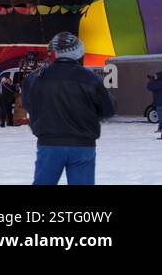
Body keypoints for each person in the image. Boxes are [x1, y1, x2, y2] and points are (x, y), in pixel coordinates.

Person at [22, 32, 116, 185]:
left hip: (49, 144)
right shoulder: (91, 78)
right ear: (79, 53)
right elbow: (109, 109)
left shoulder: (35, 78)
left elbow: (27, 104)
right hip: (83, 145)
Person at [149, 74, 162, 138]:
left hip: (160, 104)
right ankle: (160, 128)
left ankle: (160, 129)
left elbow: (149, 87)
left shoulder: (158, 83)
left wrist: (151, 80)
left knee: (161, 118)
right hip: (159, 104)